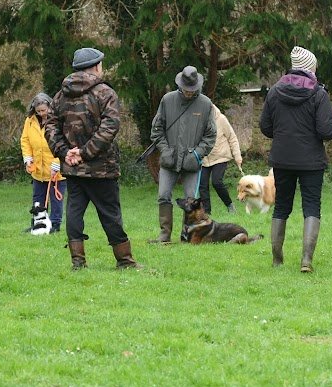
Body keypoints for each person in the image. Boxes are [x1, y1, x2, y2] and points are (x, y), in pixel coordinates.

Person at [44, 47, 141, 270]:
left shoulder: (59, 96)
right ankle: (125, 261)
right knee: (110, 214)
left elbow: (50, 127)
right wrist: (85, 152)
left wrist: (64, 152)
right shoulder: (105, 93)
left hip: (73, 168)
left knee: (74, 213)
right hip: (101, 168)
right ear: (96, 66)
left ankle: (78, 262)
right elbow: (110, 126)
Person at [259, 46, 332, 273]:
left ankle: (277, 259)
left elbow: (265, 126)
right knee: (311, 206)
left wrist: (283, 134)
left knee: (281, 206)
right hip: (311, 161)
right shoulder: (319, 94)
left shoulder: (275, 91)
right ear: (310, 68)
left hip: (282, 159)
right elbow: (326, 130)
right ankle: (306, 260)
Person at [148, 65, 217, 244]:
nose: (188, 92)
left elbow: (210, 135)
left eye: (192, 89)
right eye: (186, 89)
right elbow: (156, 130)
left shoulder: (205, 104)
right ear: (180, 85)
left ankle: (187, 235)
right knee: (163, 195)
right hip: (169, 160)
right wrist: (165, 149)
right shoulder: (167, 100)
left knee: (191, 200)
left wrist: (197, 154)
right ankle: (164, 234)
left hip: (192, 163)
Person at [21, 92, 67, 233]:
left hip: (56, 171)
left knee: (56, 199)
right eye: (38, 111)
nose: (41, 113)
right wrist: (28, 159)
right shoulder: (29, 121)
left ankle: (55, 225)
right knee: (38, 198)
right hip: (38, 171)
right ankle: (38, 222)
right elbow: (25, 140)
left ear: (50, 107)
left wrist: (57, 162)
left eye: (44, 110)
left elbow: (64, 142)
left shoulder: (59, 121)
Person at [199, 105, 243, 215]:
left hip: (221, 157)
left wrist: (237, 156)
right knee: (202, 185)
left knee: (216, 182)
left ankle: (230, 205)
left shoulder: (221, 119)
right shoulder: (197, 120)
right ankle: (207, 213)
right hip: (204, 158)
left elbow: (232, 138)